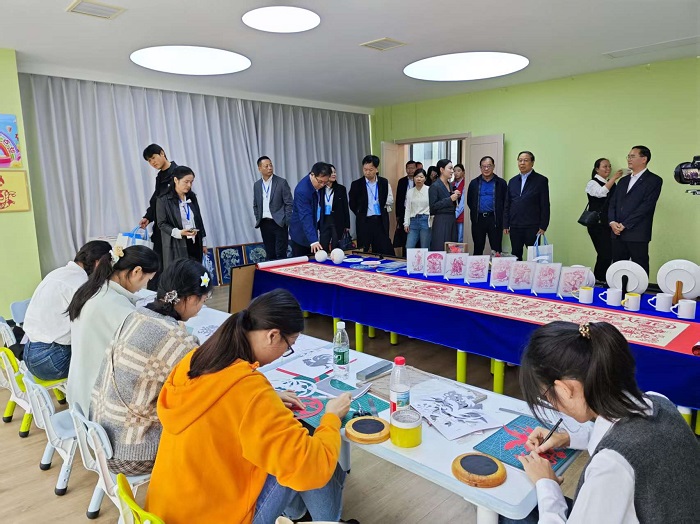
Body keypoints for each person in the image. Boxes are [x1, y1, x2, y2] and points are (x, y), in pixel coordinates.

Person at [145, 289, 354, 524]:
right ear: (273, 335)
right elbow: (311, 468)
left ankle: (298, 513)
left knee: (289, 446)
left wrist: (268, 398)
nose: (285, 353)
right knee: (311, 450)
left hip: (166, 510)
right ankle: (329, 520)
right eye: (289, 346)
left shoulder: (195, 359)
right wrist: (331, 417)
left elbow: (224, 402)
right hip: (219, 516)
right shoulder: (250, 391)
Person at [501, 321, 700, 524]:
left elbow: (621, 453)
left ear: (564, 389)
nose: (551, 403)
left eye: (546, 396)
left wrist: (547, 484)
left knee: (509, 514)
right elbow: (632, 437)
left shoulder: (612, 464)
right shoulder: (658, 402)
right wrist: (568, 438)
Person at [90, 258, 213, 476]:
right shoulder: (178, 340)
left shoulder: (135, 315)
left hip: (100, 437)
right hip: (131, 453)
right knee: (208, 421)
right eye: (203, 300)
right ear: (190, 299)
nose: (202, 307)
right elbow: (208, 386)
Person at [66, 245, 159, 412]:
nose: (145, 285)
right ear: (137, 271)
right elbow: (142, 347)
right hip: (96, 403)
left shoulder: (93, 289)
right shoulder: (114, 303)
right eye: (148, 279)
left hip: (78, 393)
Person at [22, 241, 112, 381]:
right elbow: (92, 323)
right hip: (50, 359)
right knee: (106, 356)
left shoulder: (59, 272)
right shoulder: (79, 283)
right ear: (98, 263)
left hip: (29, 352)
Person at [608, 146, 663, 276]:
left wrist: (625, 224)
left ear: (644, 159)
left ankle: (639, 291)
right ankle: (619, 289)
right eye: (628, 156)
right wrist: (612, 222)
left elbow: (646, 207)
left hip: (637, 232)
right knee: (618, 269)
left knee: (640, 269)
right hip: (617, 232)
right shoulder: (623, 180)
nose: (629, 159)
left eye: (632, 156)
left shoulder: (654, 180)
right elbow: (613, 203)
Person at [140, 144, 178, 291]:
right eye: (149, 161)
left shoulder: (178, 172)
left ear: (162, 153)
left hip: (174, 227)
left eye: (153, 158)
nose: (152, 162)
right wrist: (148, 217)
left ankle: (170, 294)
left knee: (172, 261)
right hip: (160, 227)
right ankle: (156, 294)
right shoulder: (160, 177)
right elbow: (156, 200)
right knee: (157, 260)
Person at [156, 165, 208, 271]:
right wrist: (179, 232)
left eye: (191, 182)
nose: (189, 185)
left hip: (195, 242)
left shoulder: (192, 197)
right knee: (180, 273)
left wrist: (204, 242)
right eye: (186, 182)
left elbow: (199, 220)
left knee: (196, 273)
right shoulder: (163, 200)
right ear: (176, 180)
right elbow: (161, 224)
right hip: (177, 245)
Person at [503, 151, 550, 261]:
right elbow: (507, 204)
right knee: (516, 255)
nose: (522, 163)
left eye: (526, 160)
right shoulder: (512, 181)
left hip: (532, 226)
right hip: (515, 225)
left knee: (533, 257)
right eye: (520, 160)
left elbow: (545, 204)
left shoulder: (541, 180)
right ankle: (517, 273)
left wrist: (543, 225)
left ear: (532, 163)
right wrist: (505, 224)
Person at [585, 158, 624, 282]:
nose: (608, 169)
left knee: (609, 253)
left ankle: (604, 279)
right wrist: (614, 178)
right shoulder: (592, 183)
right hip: (597, 225)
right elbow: (601, 193)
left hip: (609, 223)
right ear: (597, 169)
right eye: (605, 166)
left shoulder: (611, 184)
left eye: (609, 166)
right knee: (605, 253)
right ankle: (599, 279)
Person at [348, 155, 394, 255]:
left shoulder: (383, 182)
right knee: (363, 248)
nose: (367, 172)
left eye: (370, 169)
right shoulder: (356, 184)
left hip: (380, 220)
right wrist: (360, 213)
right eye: (365, 169)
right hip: (364, 221)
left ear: (376, 169)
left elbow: (384, 199)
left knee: (382, 248)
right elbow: (352, 203)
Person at [253, 156, 293, 260]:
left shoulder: (281, 182)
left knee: (280, 254)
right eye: (266, 166)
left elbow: (289, 203)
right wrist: (258, 218)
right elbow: (255, 204)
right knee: (270, 254)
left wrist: (286, 220)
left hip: (279, 223)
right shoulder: (257, 185)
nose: (270, 168)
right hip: (264, 223)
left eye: (271, 165)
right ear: (259, 168)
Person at [467, 156, 508, 255]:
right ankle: (477, 265)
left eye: (489, 166)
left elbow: (505, 202)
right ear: (480, 167)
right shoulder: (474, 183)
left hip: (495, 219)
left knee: (496, 248)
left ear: (493, 167)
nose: (486, 169)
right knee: (478, 247)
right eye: (483, 166)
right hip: (478, 219)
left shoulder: (501, 183)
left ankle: (497, 265)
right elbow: (470, 201)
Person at [289, 162, 331, 256]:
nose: (322, 185)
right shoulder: (302, 191)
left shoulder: (320, 184)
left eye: (325, 182)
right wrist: (313, 240)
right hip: (301, 234)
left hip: (314, 229)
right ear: (312, 175)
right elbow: (305, 217)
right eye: (320, 182)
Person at [429, 159, 460, 251]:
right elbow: (433, 206)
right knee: (440, 247)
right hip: (441, 220)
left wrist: (455, 195)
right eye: (450, 168)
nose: (452, 171)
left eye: (452, 168)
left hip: (452, 219)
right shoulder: (435, 186)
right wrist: (450, 199)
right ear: (442, 170)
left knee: (452, 248)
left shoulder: (450, 185)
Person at [319, 164, 351, 251]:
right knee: (323, 245)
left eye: (335, 172)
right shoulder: (320, 189)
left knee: (336, 246)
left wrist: (347, 224)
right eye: (331, 172)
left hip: (337, 220)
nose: (334, 174)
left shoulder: (341, 189)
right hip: (324, 220)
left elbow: (345, 207)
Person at [404, 169, 431, 249]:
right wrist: (406, 223)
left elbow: (433, 206)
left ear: (425, 178)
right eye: (416, 177)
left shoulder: (429, 190)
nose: (419, 179)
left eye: (421, 177)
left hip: (425, 220)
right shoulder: (410, 192)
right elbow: (408, 208)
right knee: (409, 246)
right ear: (414, 178)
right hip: (413, 220)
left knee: (425, 247)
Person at [394, 160, 417, 255]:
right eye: (408, 168)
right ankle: (405, 257)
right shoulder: (402, 181)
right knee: (405, 237)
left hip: (416, 212)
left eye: (412, 168)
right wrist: (398, 215)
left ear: (416, 169)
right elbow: (398, 198)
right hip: (404, 212)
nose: (410, 170)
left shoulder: (419, 180)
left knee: (416, 236)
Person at [452, 163, 467, 243]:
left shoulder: (465, 183)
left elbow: (463, 202)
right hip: (452, 213)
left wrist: (456, 213)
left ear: (463, 172)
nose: (456, 173)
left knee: (460, 237)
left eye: (458, 171)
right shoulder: (452, 184)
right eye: (454, 171)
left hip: (460, 213)